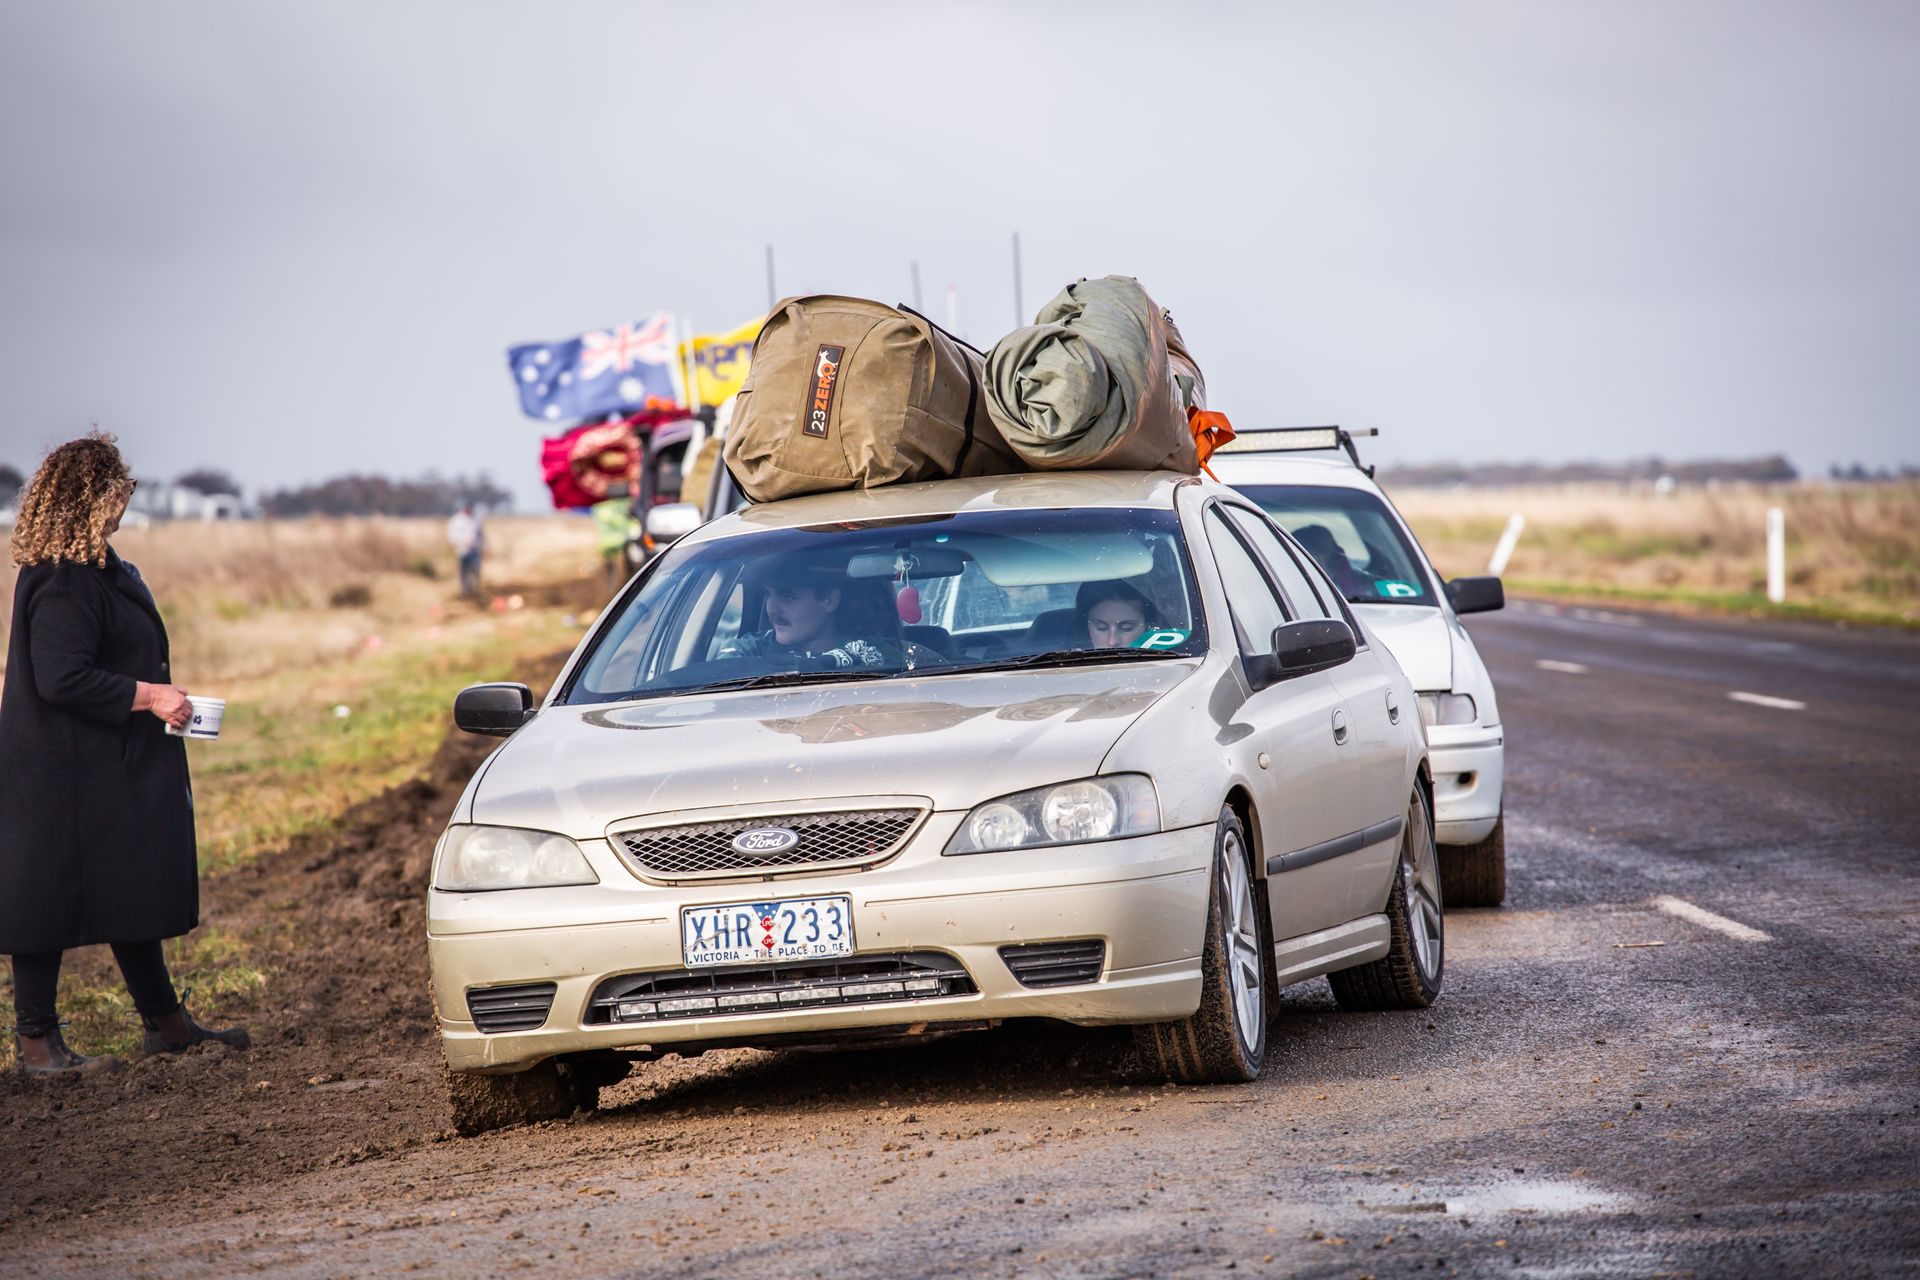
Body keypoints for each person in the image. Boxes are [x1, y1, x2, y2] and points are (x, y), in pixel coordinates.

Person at [1, 433, 249, 1076]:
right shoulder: (61, 578)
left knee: (128, 885)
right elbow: (60, 677)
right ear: (90, 495)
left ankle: (167, 1025)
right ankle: (36, 1047)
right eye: (119, 491)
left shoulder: (96, 566)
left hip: (103, 765)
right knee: (45, 903)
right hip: (62, 773)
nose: (125, 502)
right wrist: (149, 697)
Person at [718, 556, 910, 671]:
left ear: (828, 600)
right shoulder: (746, 651)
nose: (772, 609)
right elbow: (719, 675)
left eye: (787, 597)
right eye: (769, 594)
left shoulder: (871, 654)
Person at [1077, 579, 1160, 649]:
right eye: (1101, 628)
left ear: (1148, 626)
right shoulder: (1066, 662)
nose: (1112, 642)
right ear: (1086, 627)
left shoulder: (1170, 662)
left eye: (1126, 628)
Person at [446, 502, 484, 598]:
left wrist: (480, 545)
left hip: (475, 550)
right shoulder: (456, 521)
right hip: (462, 551)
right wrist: (462, 541)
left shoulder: (476, 520)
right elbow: (451, 536)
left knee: (475, 571)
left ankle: (476, 590)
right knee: (464, 571)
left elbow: (481, 535)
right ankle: (465, 591)